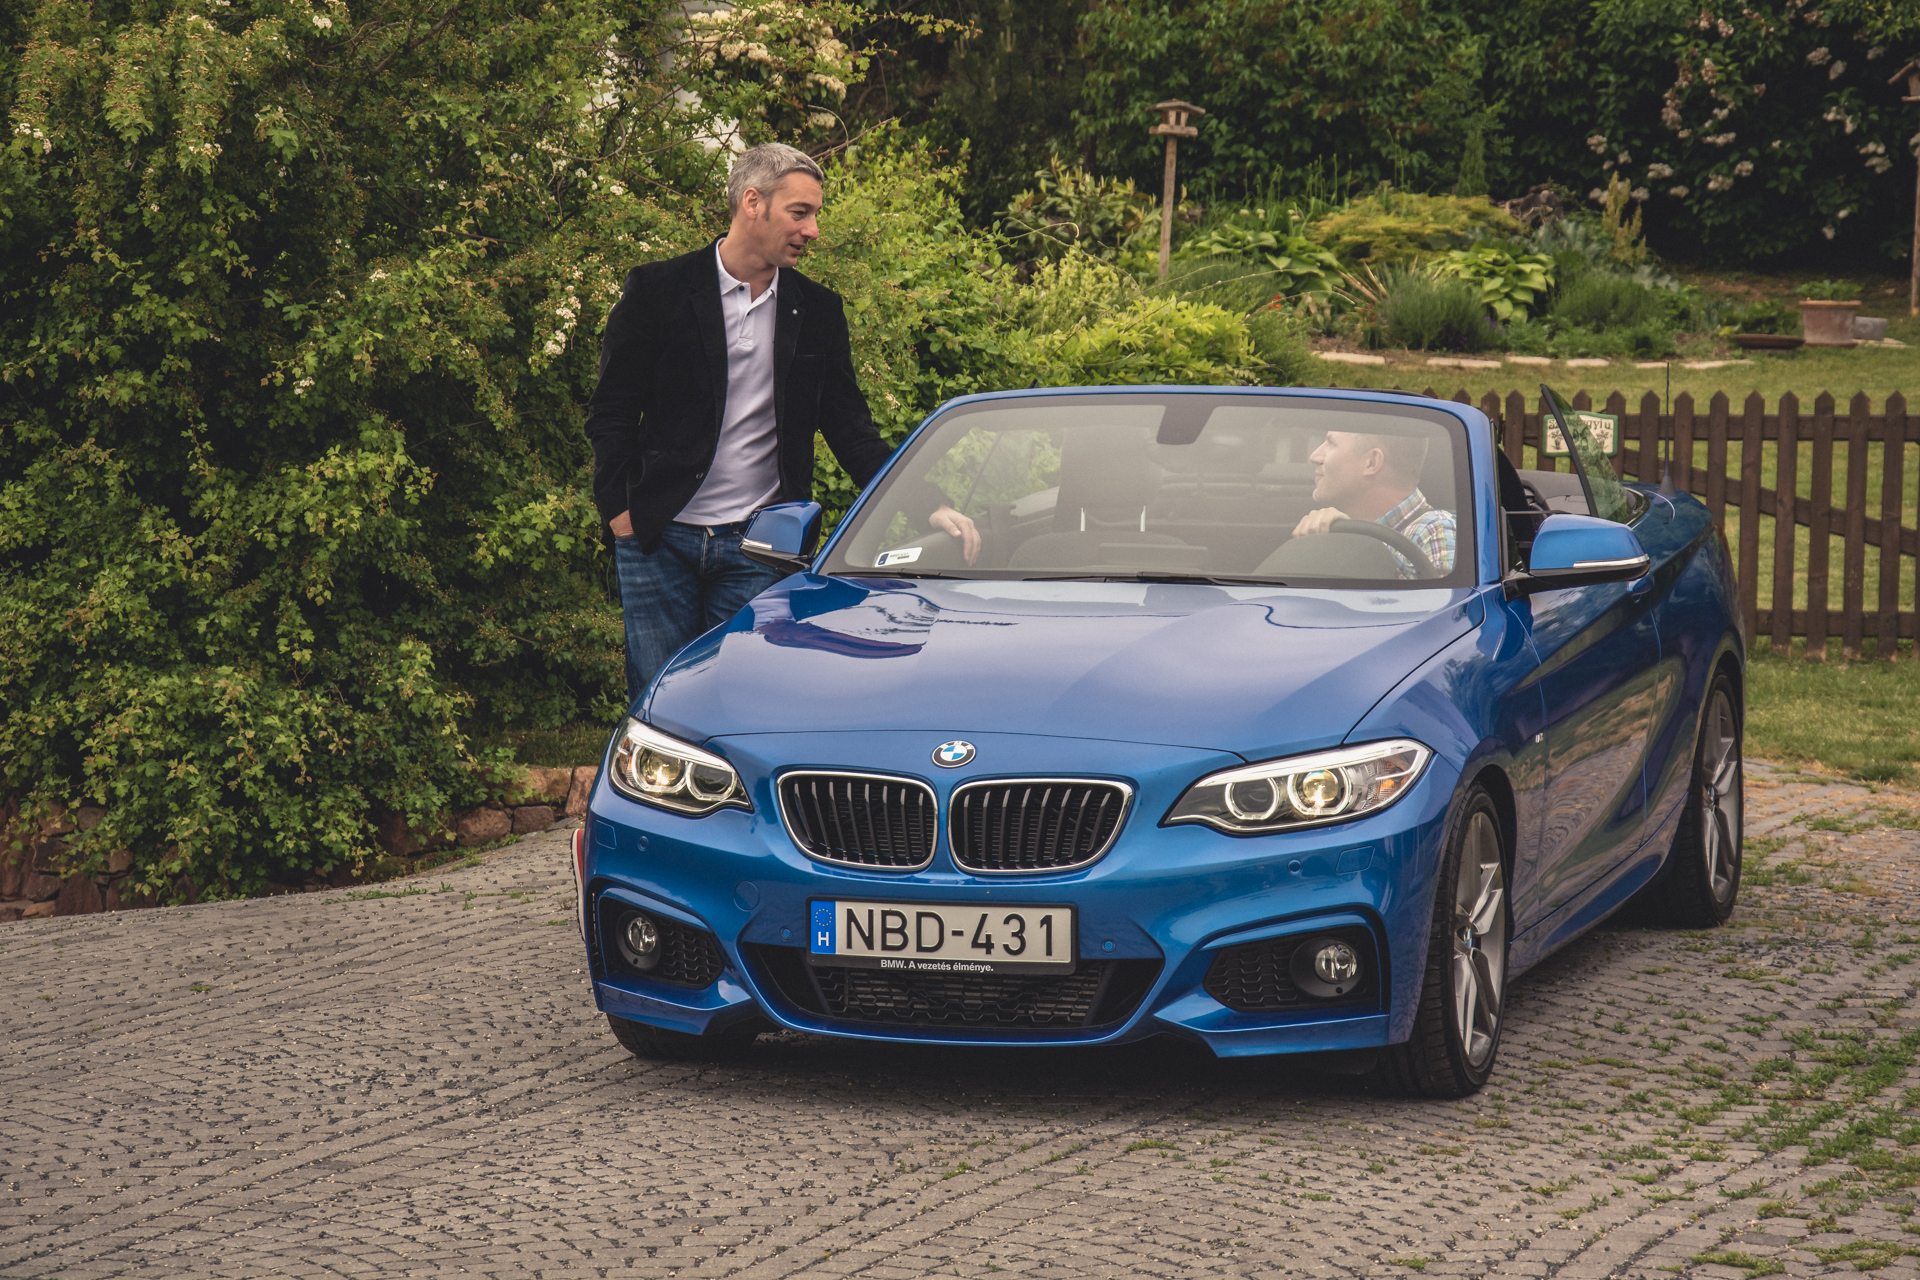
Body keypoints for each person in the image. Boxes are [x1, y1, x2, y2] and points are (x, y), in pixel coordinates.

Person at [584, 143, 979, 704]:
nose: (812, 230)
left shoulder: (818, 311)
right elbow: (612, 410)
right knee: (660, 702)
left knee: (746, 700)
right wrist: (619, 512)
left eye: (815, 215)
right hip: (657, 540)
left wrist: (927, 503)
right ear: (753, 203)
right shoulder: (657, 291)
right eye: (800, 212)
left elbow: (850, 429)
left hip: (759, 547)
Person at [1291, 430, 1456, 578]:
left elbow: (1446, 602)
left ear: (1371, 462)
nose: (1314, 456)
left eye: (1331, 443)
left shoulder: (1435, 531)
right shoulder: (1333, 528)